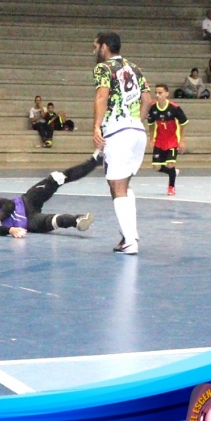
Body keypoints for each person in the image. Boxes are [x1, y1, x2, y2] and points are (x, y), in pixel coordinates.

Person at [92, 31, 151, 255]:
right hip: (137, 131)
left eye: (95, 46)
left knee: (117, 186)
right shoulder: (135, 68)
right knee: (121, 185)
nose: (94, 51)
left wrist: (97, 126)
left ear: (105, 47)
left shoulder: (104, 68)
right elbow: (147, 100)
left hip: (118, 131)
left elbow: (102, 96)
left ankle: (130, 242)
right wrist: (136, 121)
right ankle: (130, 234)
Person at [0, 155, 100, 238]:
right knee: (54, 221)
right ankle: (79, 220)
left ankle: (94, 160)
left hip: (26, 202)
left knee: (57, 178)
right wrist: (10, 230)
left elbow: (8, 204)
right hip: (27, 223)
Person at [147, 84, 189, 196]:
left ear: (166, 94)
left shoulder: (174, 108)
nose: (157, 95)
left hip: (172, 141)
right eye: (156, 93)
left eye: (160, 93)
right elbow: (151, 125)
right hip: (159, 141)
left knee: (170, 164)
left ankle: (171, 187)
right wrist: (151, 139)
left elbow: (184, 123)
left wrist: (182, 140)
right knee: (156, 167)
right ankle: (173, 172)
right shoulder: (153, 108)